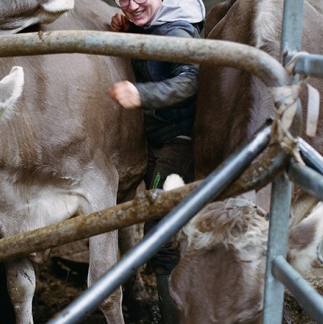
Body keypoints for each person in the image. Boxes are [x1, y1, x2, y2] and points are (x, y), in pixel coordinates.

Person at [107, 0, 205, 322]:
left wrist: (142, 94)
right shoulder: (152, 21)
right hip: (157, 139)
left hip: (179, 141)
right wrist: (130, 29)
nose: (132, 5)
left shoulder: (177, 30)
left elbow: (189, 81)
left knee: (161, 232)